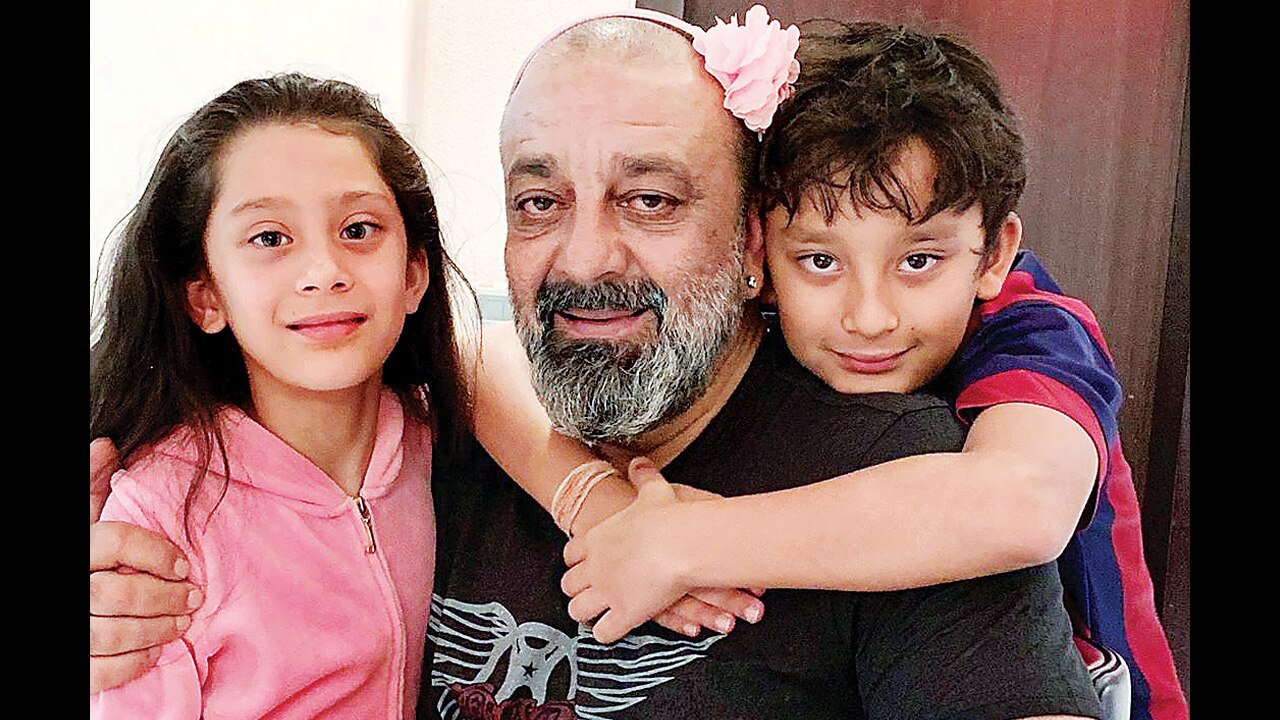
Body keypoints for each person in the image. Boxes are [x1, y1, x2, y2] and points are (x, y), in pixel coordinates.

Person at [90, 9, 1101, 720]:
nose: (581, 262)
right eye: (539, 204)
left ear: (753, 240)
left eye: (650, 200)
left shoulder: (901, 484)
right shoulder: (431, 448)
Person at [544, 19, 1189, 720]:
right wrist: (597, 501)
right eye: (820, 261)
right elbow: (484, 369)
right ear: (757, 248)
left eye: (919, 260)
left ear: (996, 254)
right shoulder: (751, 326)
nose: (870, 316)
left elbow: (1022, 505)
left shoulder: (1035, 328)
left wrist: (683, 541)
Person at [89, 73, 474, 717]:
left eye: (359, 229)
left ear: (414, 274)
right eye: (270, 238)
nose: (324, 272)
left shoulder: (452, 439)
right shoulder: (161, 509)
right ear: (206, 297)